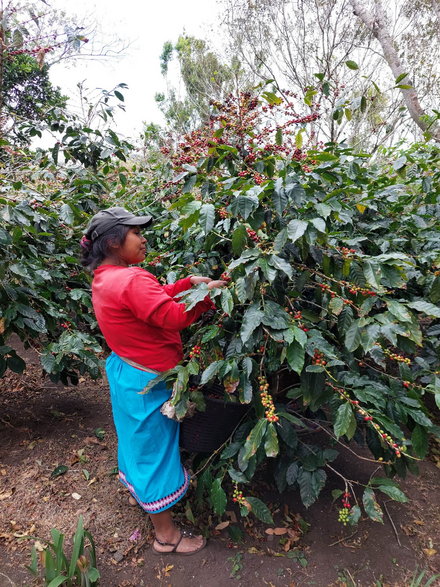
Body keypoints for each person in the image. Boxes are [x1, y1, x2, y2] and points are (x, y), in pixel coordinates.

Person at [80, 206, 226, 555]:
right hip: (148, 379)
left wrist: (187, 284)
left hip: (127, 370)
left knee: (137, 441)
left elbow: (153, 300)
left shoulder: (107, 276)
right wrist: (209, 297)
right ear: (114, 242)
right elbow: (171, 316)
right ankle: (167, 536)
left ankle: (142, 495)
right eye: (136, 234)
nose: (144, 239)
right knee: (155, 449)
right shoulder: (131, 279)